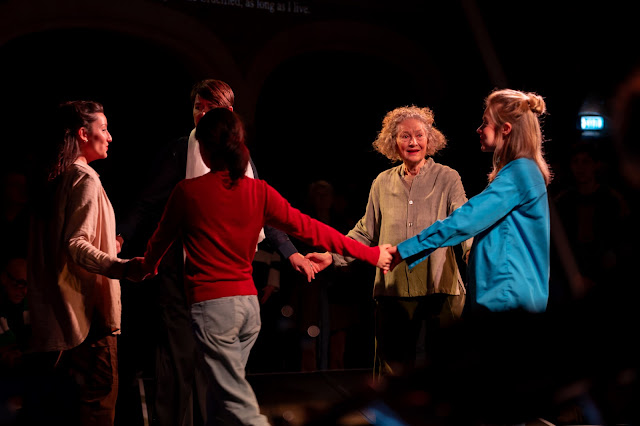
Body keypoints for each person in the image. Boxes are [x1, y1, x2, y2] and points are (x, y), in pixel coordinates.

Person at [126, 108, 393, 425]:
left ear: (203, 150)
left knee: (239, 407)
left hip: (214, 310)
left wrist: (145, 268)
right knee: (219, 397)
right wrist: (368, 253)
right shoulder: (259, 191)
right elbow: (312, 229)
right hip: (247, 310)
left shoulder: (188, 192)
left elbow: (159, 241)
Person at [115, 78, 315, 426]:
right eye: (198, 107)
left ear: (229, 113)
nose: (203, 113)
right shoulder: (179, 151)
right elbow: (147, 204)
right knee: (177, 363)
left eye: (212, 108)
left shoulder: (244, 161)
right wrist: (121, 236)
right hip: (182, 275)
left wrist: (291, 253)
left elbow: (266, 210)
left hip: (228, 279)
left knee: (217, 370)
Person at [306, 105, 472, 378]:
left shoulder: (447, 176)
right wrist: (331, 255)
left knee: (446, 368)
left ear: (430, 139)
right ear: (393, 142)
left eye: (419, 135)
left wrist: (471, 252)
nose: (413, 142)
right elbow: (364, 230)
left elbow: (464, 219)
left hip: (440, 284)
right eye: (405, 136)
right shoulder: (382, 182)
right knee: (392, 369)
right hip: (393, 286)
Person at [390, 88, 552, 316]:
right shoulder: (519, 172)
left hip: (506, 298)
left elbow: (467, 219)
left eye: (485, 122)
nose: (479, 129)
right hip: (504, 295)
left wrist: (406, 249)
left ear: (505, 129)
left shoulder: (520, 173)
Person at [26, 100, 132, 426]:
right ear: (84, 134)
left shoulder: (53, 179)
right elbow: (76, 245)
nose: (110, 137)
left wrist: (108, 244)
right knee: (99, 407)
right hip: (89, 319)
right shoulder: (84, 178)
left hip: (57, 319)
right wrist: (122, 267)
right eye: (104, 129)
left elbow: (61, 242)